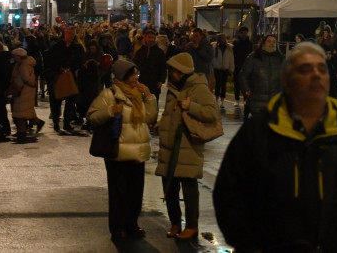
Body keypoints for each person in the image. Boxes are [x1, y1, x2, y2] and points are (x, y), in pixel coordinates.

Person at [214, 41, 337, 251]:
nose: (315, 75)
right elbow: (229, 195)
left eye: (321, 69)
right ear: (287, 81)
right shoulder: (259, 133)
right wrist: (250, 244)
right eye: (306, 69)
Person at [88, 60, 158, 242]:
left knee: (136, 192)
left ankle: (132, 225)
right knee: (118, 193)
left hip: (138, 152)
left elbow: (149, 118)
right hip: (118, 151)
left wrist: (149, 97)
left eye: (137, 74)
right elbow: (92, 115)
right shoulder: (110, 94)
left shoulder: (139, 95)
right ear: (122, 76)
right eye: (133, 74)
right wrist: (111, 110)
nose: (136, 78)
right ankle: (118, 228)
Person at [155, 52, 219, 240]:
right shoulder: (173, 88)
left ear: (182, 71)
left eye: (173, 70)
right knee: (169, 187)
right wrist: (161, 125)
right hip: (169, 147)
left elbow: (211, 113)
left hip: (188, 146)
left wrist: (190, 106)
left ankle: (192, 226)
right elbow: (169, 114)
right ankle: (175, 223)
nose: (171, 73)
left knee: (189, 188)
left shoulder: (198, 88)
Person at [44, 29, 84, 133]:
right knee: (56, 102)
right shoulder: (56, 46)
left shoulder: (77, 48)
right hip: (58, 77)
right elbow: (49, 60)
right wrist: (59, 68)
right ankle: (56, 123)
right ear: (65, 34)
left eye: (72, 34)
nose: (71, 36)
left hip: (70, 77)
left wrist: (71, 67)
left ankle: (67, 123)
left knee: (70, 103)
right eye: (69, 34)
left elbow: (80, 61)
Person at [239, 35, 284, 118]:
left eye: (274, 42)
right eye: (269, 41)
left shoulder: (281, 59)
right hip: (257, 103)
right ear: (263, 43)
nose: (272, 44)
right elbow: (243, 75)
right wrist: (247, 90)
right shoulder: (253, 58)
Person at [8, 48, 42, 142]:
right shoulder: (22, 63)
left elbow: (26, 78)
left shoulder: (23, 65)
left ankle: (22, 132)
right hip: (24, 89)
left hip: (24, 90)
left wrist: (32, 83)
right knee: (23, 112)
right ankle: (23, 130)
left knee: (21, 112)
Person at [130, 29, 167, 101]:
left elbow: (163, 67)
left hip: (154, 82)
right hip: (142, 81)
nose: (151, 39)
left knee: (154, 101)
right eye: (149, 37)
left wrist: (161, 80)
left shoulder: (159, 52)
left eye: (153, 38)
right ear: (145, 38)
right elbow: (135, 65)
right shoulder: (140, 51)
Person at [212, 34, 234, 108]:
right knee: (218, 83)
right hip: (218, 69)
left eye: (224, 38)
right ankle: (216, 99)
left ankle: (222, 101)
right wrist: (218, 66)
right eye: (222, 38)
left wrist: (231, 69)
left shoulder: (229, 48)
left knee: (223, 85)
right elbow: (213, 59)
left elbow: (231, 59)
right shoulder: (215, 47)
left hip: (225, 68)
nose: (223, 39)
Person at [231, 27, 251, 108]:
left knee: (246, 84)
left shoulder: (249, 43)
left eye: (245, 32)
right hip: (237, 66)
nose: (244, 34)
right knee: (237, 83)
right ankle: (236, 99)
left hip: (246, 66)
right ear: (239, 33)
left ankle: (246, 99)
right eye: (242, 32)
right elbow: (232, 55)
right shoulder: (235, 43)